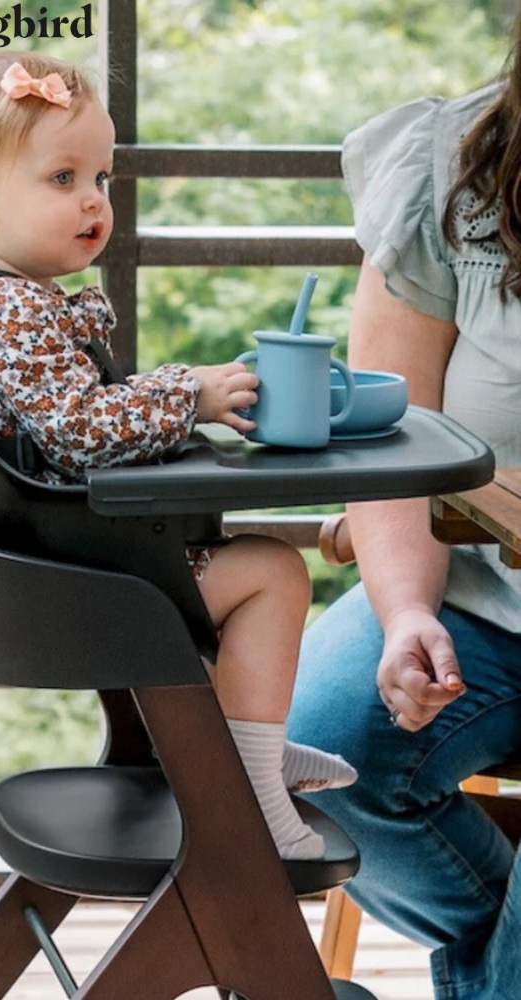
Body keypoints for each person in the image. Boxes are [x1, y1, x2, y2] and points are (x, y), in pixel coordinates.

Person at [0, 50, 356, 861]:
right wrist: (189, 395)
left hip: (64, 562)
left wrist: (170, 403)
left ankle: (247, 750)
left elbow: (62, 420)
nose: (94, 201)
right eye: (63, 178)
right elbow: (80, 431)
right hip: (79, 583)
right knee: (274, 573)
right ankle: (252, 787)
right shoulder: (7, 310)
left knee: (254, 565)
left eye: (102, 179)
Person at [287, 13, 521, 999]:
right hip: (477, 593)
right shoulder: (453, 164)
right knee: (317, 763)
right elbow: (393, 431)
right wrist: (406, 609)